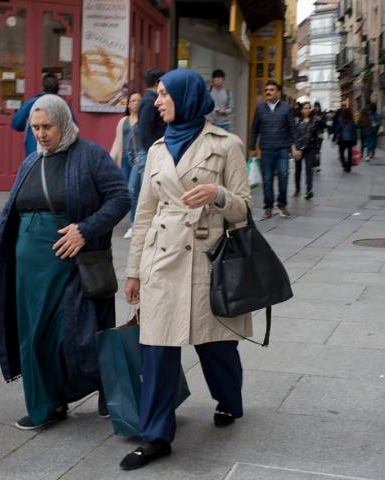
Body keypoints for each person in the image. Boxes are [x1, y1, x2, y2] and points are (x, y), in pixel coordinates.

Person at [119, 69, 252, 471]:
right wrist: (133, 272)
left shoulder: (226, 145)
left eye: (162, 95)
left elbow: (245, 208)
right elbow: (143, 214)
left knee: (216, 347)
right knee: (156, 348)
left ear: (186, 97)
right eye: (156, 95)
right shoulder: (157, 148)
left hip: (205, 258)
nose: (155, 102)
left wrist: (218, 194)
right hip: (161, 258)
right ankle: (156, 436)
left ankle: (229, 401)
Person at [0, 94, 131, 430]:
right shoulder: (32, 161)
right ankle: (46, 405)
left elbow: (121, 197)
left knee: (76, 333)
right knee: (33, 334)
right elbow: (8, 212)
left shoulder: (89, 155)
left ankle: (105, 388)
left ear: (63, 122)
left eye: (47, 126)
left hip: (70, 263)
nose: (41, 134)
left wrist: (85, 230)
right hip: (27, 266)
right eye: (35, 128)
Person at [249, 80, 300, 219]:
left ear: (278, 93)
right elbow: (254, 130)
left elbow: (292, 129)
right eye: (266, 90)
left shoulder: (286, 108)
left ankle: (282, 205)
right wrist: (252, 147)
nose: (268, 92)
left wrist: (297, 147)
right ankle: (268, 207)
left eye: (271, 90)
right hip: (266, 149)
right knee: (267, 179)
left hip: (283, 149)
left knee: (283, 176)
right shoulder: (260, 109)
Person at [127, 68, 166, 237]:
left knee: (142, 191)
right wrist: (154, 152)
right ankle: (144, 230)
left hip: (147, 152)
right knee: (148, 194)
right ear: (157, 83)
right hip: (150, 152)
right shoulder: (150, 101)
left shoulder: (149, 99)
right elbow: (145, 130)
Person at [110, 91, 142, 238]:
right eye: (132, 100)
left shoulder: (143, 120)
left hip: (138, 159)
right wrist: (111, 159)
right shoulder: (123, 121)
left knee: (132, 189)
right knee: (127, 192)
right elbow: (118, 141)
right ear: (128, 104)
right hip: (124, 159)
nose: (135, 103)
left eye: (138, 100)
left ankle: (133, 224)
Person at [11, 74, 61, 157]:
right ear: (57, 89)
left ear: (43, 88)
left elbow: (16, 124)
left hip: (34, 152)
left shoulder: (31, 103)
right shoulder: (64, 105)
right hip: (58, 153)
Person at [293, 102, 321, 199]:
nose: (307, 110)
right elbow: (294, 136)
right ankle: (297, 189)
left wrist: (317, 151)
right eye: (305, 108)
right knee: (298, 170)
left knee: (309, 169)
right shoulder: (297, 121)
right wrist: (295, 148)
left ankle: (309, 190)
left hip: (310, 149)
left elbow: (317, 137)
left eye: (309, 108)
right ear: (301, 110)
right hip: (299, 149)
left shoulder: (314, 122)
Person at [333, 108, 358, 173]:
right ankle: (349, 168)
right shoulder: (352, 121)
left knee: (341, 153)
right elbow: (354, 132)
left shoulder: (340, 120)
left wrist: (334, 138)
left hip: (342, 139)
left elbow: (337, 130)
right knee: (350, 154)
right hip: (350, 140)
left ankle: (344, 165)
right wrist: (355, 141)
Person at [311, 102, 327, 174]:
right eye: (315, 106)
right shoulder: (311, 114)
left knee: (317, 151)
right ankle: (313, 165)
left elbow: (325, 125)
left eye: (317, 107)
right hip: (311, 135)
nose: (316, 108)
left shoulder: (322, 114)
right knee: (312, 150)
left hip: (319, 135)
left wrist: (320, 120)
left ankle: (317, 166)